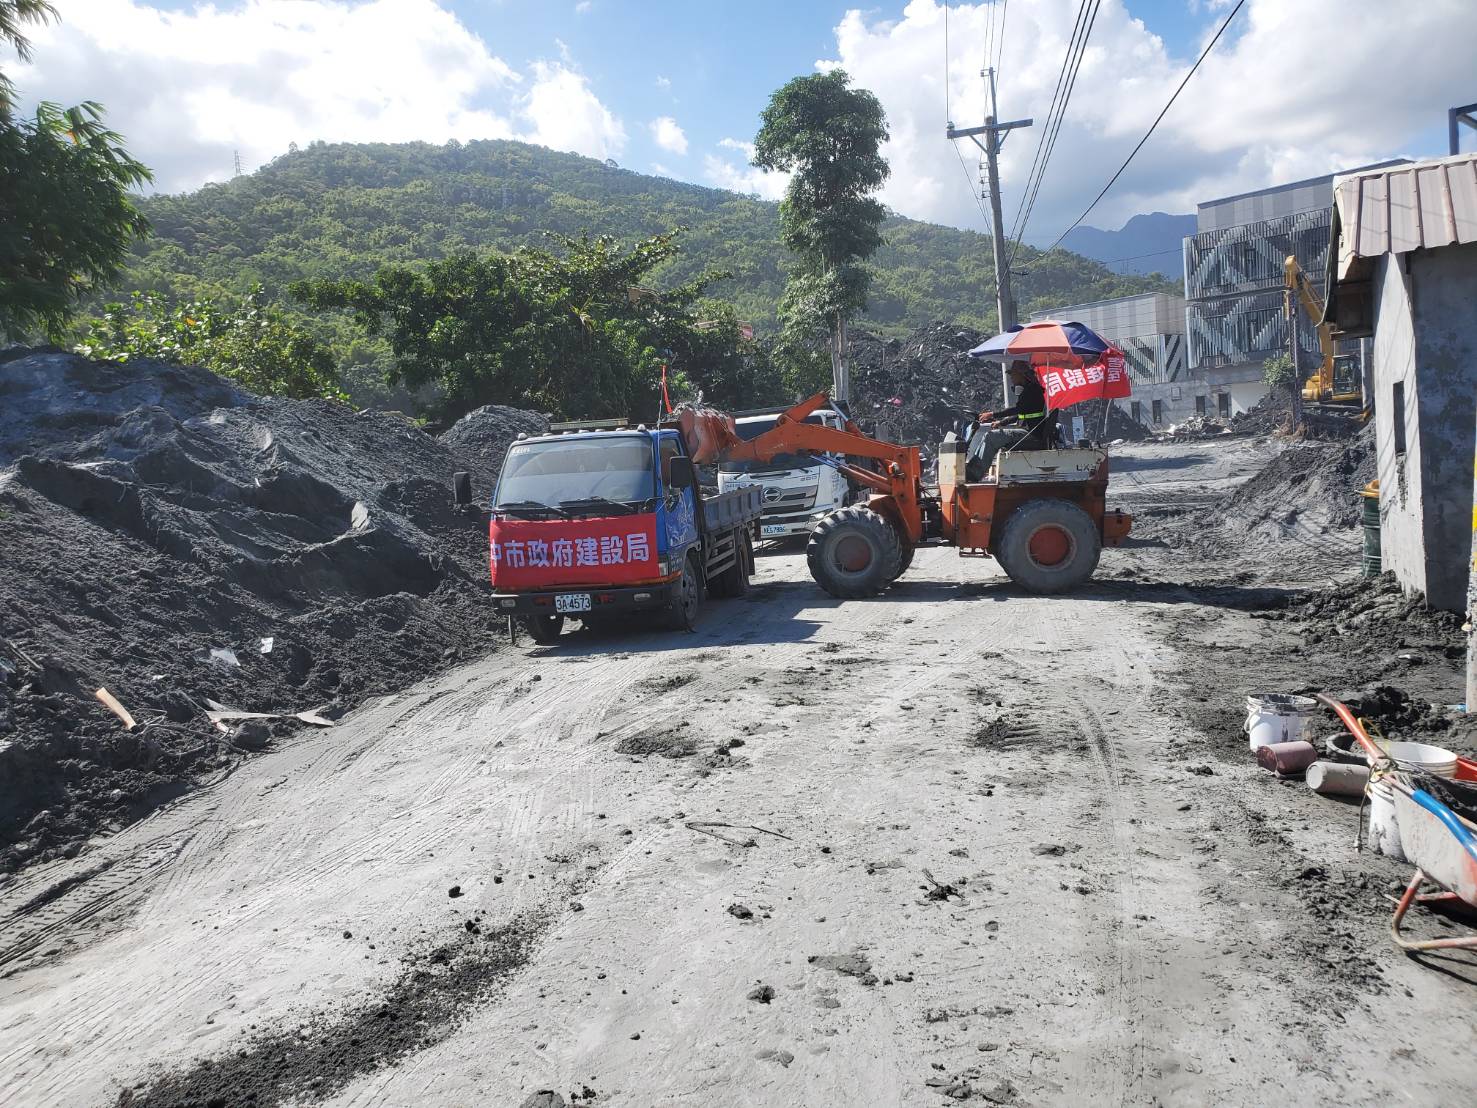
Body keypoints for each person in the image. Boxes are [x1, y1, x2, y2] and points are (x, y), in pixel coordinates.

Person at [965, 360, 1060, 480]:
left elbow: (1018, 409)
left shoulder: (1032, 391)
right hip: (1028, 431)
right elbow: (1022, 413)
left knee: (990, 437)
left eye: (1013, 374)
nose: (1011, 377)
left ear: (1021, 374)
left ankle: (975, 472)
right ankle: (973, 468)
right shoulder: (1030, 390)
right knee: (989, 436)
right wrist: (1001, 422)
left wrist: (992, 414)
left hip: (1031, 434)